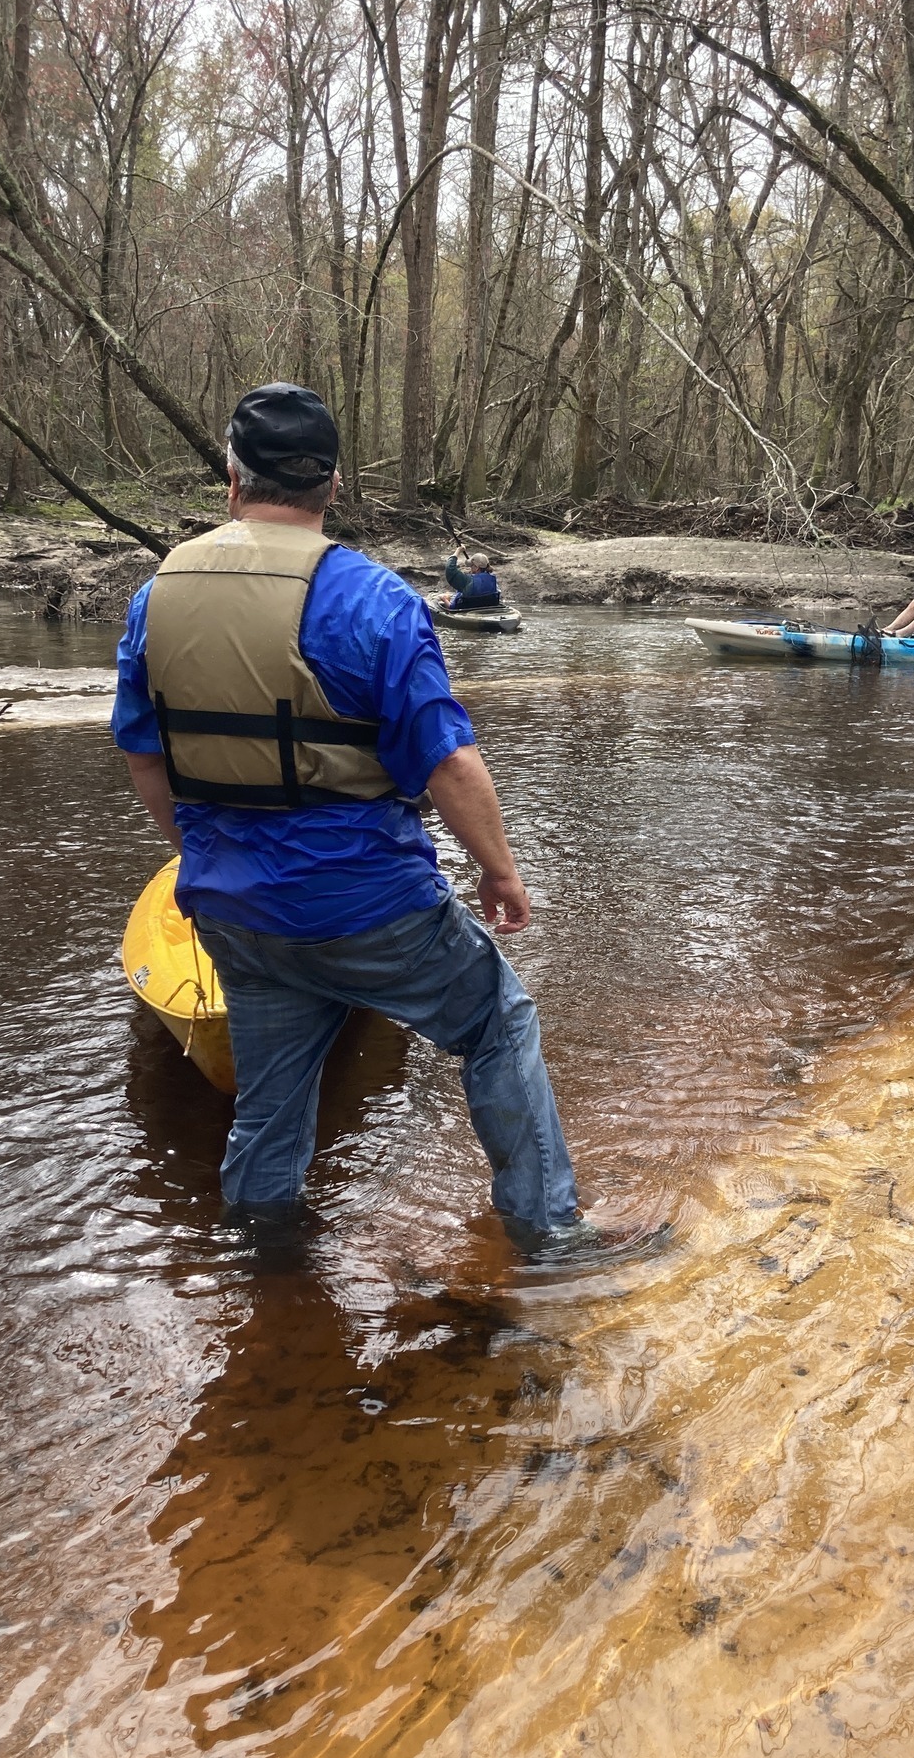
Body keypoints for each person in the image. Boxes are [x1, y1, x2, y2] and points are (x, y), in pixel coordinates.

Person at [111, 381, 578, 1238]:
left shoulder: (157, 598)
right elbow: (449, 764)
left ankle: (265, 1268)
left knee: (270, 1103)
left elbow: (145, 758)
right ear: (331, 486)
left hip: (235, 912)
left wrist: (198, 853)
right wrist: (499, 870)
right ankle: (548, 1236)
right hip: (367, 904)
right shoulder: (374, 599)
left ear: (232, 479)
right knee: (497, 1024)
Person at [441, 541, 501, 610]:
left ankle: (444, 599)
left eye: (471, 566)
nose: (470, 568)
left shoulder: (468, 581)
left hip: (467, 609)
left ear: (477, 567)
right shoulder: (492, 579)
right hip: (487, 606)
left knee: (447, 598)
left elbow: (450, 569)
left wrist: (458, 551)